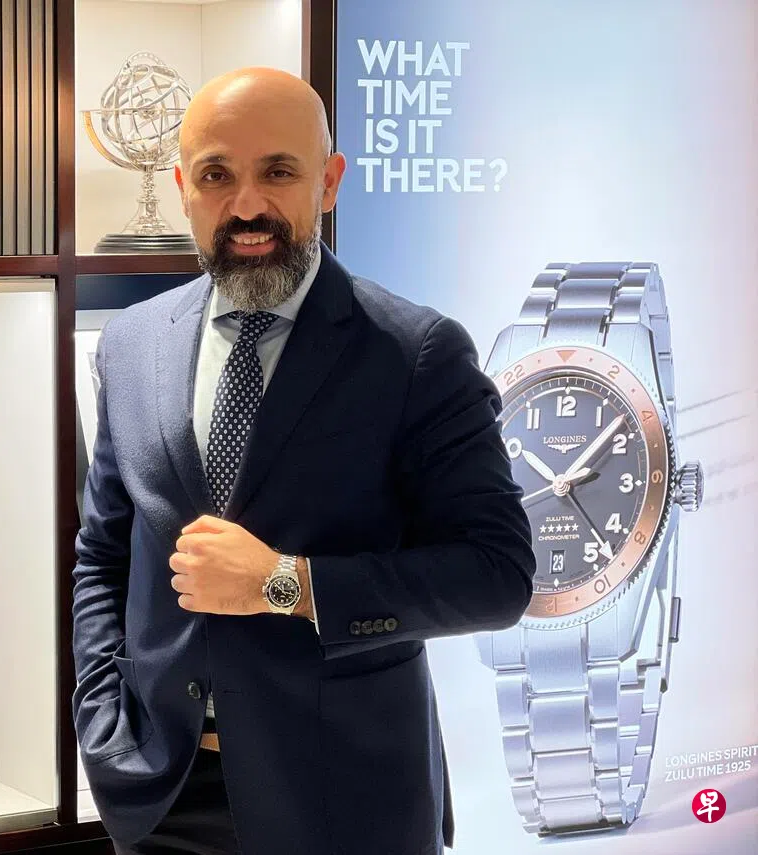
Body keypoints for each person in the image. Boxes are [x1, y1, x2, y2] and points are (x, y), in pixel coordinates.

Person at [72, 66, 536, 855]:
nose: (247, 205)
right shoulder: (131, 342)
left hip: (347, 803)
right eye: (217, 175)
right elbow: (105, 555)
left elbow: (496, 576)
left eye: (278, 171)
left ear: (328, 181)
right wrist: (103, 722)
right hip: (160, 798)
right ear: (183, 188)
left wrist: (286, 583)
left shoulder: (417, 354)